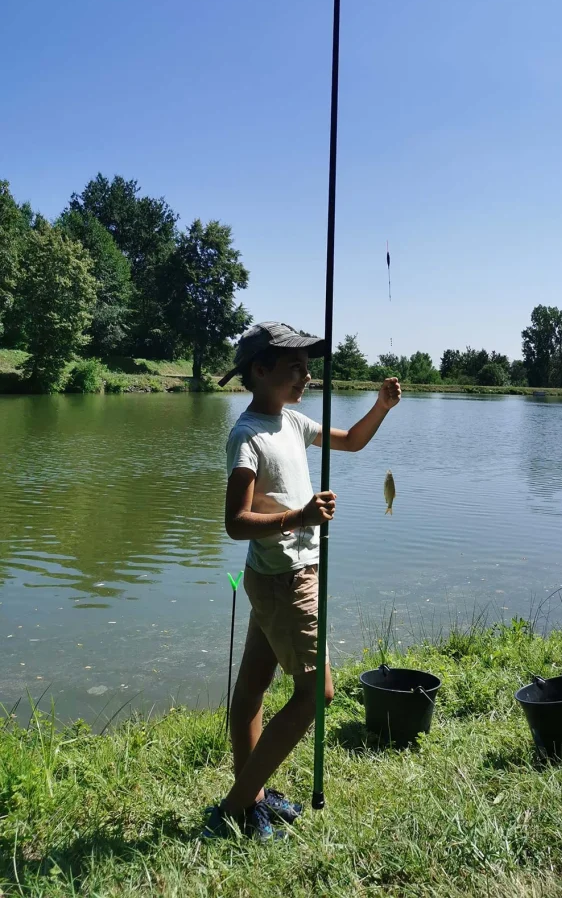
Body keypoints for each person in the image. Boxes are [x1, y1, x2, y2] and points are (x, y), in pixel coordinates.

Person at [203, 322, 401, 840]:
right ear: (260, 370)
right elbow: (235, 523)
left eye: (308, 368)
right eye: (295, 367)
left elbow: (353, 442)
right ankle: (233, 809)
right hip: (285, 580)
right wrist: (300, 517)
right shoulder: (247, 436)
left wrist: (380, 406)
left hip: (277, 578)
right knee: (318, 694)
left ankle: (253, 802)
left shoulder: (291, 422)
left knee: (250, 695)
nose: (307, 376)